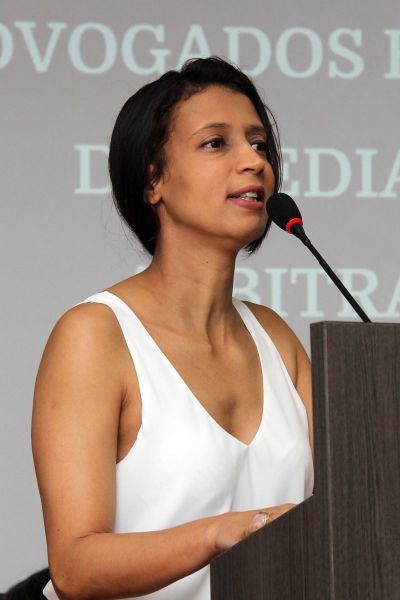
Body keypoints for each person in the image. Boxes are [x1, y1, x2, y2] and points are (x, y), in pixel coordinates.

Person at [32, 56, 314, 600]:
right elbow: (74, 566)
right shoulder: (95, 336)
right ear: (153, 180)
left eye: (259, 144)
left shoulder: (277, 340)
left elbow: (356, 504)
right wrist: (221, 533)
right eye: (216, 143)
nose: (253, 162)